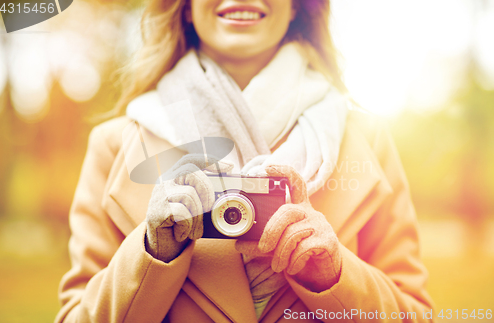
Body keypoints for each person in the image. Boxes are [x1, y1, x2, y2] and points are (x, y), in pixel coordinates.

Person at [55, 0, 434, 322]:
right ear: (185, 8)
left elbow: (415, 313)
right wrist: (151, 254)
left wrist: (336, 275)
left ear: (297, 7)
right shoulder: (114, 144)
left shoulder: (366, 140)